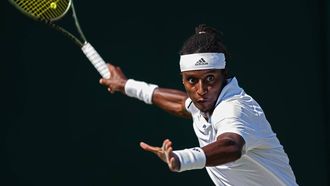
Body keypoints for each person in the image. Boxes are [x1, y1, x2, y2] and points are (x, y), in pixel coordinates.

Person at [99, 24, 298, 185]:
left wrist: (182, 159)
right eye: (192, 80)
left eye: (210, 78)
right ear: (183, 80)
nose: (201, 89)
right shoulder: (202, 104)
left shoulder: (234, 108)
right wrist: (126, 85)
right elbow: (179, 103)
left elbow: (231, 146)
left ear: (224, 76)